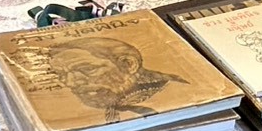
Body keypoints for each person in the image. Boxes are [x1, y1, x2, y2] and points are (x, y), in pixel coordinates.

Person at [47, 36, 188, 122]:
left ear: (128, 64)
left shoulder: (179, 94)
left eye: (87, 69)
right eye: (61, 74)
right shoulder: (114, 101)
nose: (70, 83)